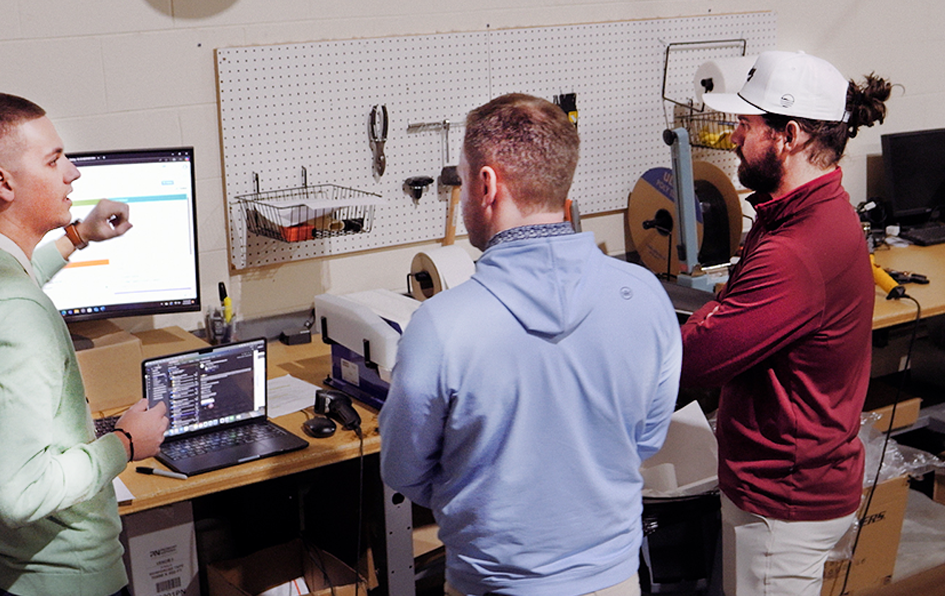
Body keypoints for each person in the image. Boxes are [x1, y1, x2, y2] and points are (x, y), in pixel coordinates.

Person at [379, 93, 682, 596]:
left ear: (486, 183)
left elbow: (403, 469)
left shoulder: (441, 325)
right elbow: (645, 440)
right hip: (615, 579)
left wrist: (475, 493)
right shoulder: (645, 295)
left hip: (493, 585)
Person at [0, 93, 169, 596]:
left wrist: (77, 236)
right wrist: (126, 443)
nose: (74, 173)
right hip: (64, 579)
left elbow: (3, 290)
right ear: (2, 182)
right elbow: (19, 494)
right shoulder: (12, 310)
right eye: (54, 160)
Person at [682, 51, 892, 596]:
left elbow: (696, 359)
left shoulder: (796, 249)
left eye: (745, 125)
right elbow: (737, 310)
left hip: (783, 504)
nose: (733, 138)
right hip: (799, 486)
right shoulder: (811, 210)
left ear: (789, 134)